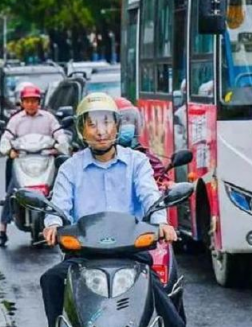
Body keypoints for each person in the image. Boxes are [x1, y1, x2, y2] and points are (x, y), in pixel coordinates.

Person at [40, 92, 185, 327]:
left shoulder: (137, 162)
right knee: (51, 280)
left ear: (116, 126)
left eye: (106, 122)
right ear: (81, 129)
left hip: (131, 253)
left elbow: (150, 196)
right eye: (92, 124)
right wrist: (53, 225)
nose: (100, 131)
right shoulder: (70, 167)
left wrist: (162, 223)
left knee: (168, 310)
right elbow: (59, 205)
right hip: (84, 256)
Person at [0, 84, 64, 247]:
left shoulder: (48, 118)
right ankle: (2, 230)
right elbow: (6, 138)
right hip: (22, 161)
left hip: (45, 160)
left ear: (39, 102)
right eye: (27, 101)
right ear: (22, 103)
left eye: (34, 101)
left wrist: (59, 147)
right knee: (11, 191)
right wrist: (9, 151)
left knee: (61, 187)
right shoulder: (16, 120)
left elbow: (59, 134)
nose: (31, 104)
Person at [114, 97, 170, 188]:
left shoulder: (146, 158)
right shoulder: (102, 159)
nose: (128, 125)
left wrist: (166, 185)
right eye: (122, 121)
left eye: (130, 120)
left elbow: (161, 182)